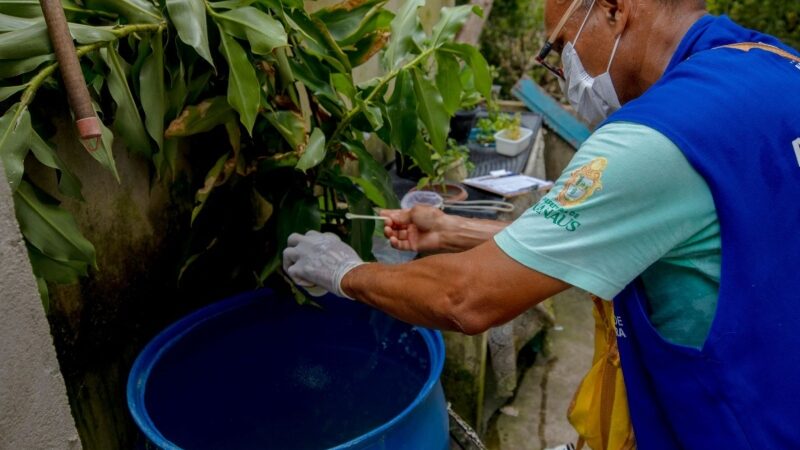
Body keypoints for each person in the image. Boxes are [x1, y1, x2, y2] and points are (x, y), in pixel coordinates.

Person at [284, 0, 800, 446]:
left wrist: (343, 272)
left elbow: (467, 298)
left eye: (560, 48)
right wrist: (451, 230)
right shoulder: (775, 67)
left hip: (734, 426)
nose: (566, 72)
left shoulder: (657, 136)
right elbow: (653, 231)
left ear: (614, 10)